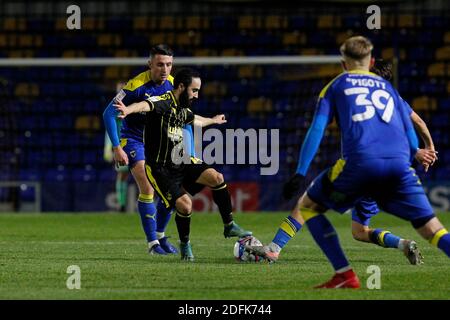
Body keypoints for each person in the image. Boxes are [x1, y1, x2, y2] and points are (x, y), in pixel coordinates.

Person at [247, 36, 448, 288]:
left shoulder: (337, 85)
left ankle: (288, 253)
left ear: (344, 63)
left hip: (360, 165)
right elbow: (411, 128)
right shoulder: (389, 89)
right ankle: (404, 243)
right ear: (371, 60)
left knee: (308, 206)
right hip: (398, 165)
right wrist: (418, 151)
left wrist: (300, 172)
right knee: (431, 230)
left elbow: (317, 129)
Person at [114, 68, 252, 261]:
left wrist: (213, 120)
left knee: (217, 177)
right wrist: (128, 110)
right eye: (194, 90)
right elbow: (144, 105)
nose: (196, 95)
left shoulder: (183, 109)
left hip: (181, 161)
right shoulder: (163, 101)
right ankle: (184, 244)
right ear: (181, 87)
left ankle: (229, 225)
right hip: (160, 169)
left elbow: (195, 120)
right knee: (185, 206)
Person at [349, 59, 438, 265]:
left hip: (364, 167)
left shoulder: (360, 98)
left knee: (310, 202)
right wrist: (430, 148)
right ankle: (403, 244)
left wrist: (416, 151)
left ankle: (275, 247)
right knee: (359, 231)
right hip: (390, 170)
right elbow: (420, 122)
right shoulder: (394, 98)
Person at [103, 44, 182, 255]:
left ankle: (160, 236)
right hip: (134, 140)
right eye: (159, 65)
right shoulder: (135, 86)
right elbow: (108, 114)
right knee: (147, 188)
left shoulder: (174, 85)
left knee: (171, 193)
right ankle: (152, 245)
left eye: (168, 65)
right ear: (150, 64)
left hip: (159, 143)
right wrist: (117, 147)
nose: (164, 69)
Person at [103, 81, 129, 213]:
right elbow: (109, 128)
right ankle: (122, 204)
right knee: (122, 175)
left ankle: (152, 203)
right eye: (119, 90)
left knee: (145, 175)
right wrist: (109, 147)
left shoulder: (134, 104)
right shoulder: (113, 107)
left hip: (137, 143)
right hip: (121, 145)